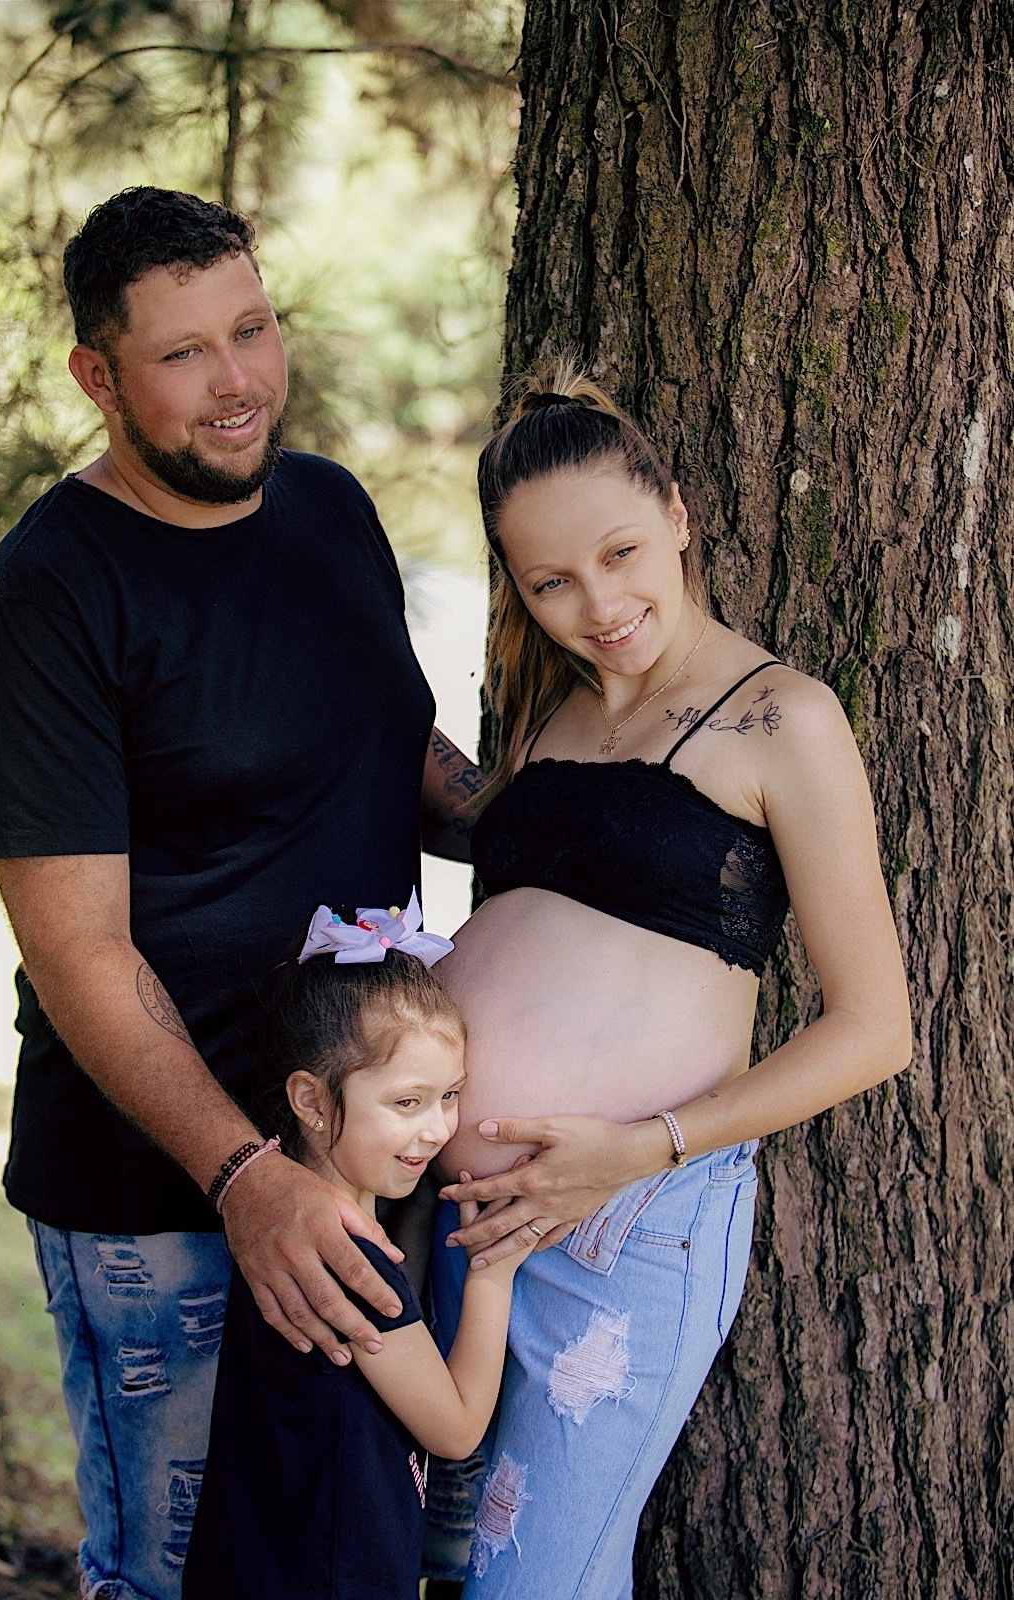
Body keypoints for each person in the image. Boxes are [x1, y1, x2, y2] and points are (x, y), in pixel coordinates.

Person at [0, 187, 480, 1600]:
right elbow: (83, 960)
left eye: (251, 329)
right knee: (183, 1577)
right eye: (185, 354)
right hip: (167, 1202)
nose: (237, 381)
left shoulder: (324, 506)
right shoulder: (41, 610)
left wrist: (565, 827)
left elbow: (395, 742)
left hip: (361, 1165)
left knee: (347, 1560)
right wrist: (244, 1177)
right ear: (97, 377)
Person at [419, 365, 913, 1599]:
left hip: (626, 1228)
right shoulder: (548, 710)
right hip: (458, 1226)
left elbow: (874, 1029)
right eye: (551, 582)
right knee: (406, 1565)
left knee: (534, 1581)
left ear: (680, 515)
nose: (599, 602)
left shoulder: (781, 722)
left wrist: (644, 1145)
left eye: (621, 551)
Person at [183, 893, 535, 1600]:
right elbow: (456, 1427)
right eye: (406, 1103)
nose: (436, 1129)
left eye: (450, 1096)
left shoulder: (293, 1234)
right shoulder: (345, 1262)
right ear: (312, 1101)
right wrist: (494, 1271)